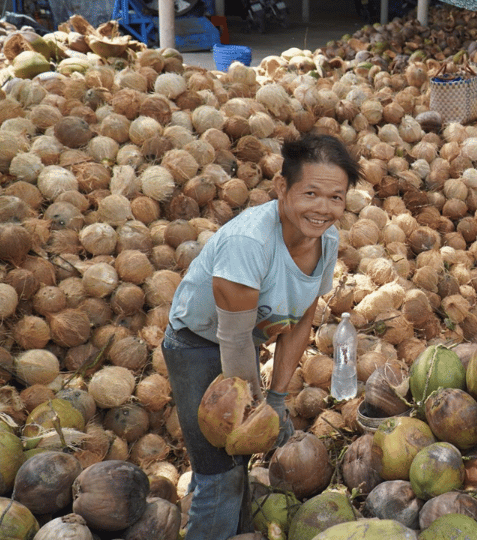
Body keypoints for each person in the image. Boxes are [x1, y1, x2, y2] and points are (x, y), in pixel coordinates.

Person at [162, 134, 360, 540]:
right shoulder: (248, 243)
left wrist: (278, 398)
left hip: (242, 342)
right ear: (282, 188)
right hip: (198, 344)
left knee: (232, 464)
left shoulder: (327, 239)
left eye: (336, 197)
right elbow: (233, 340)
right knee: (221, 469)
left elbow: (303, 317)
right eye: (311, 193)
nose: (323, 208)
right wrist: (254, 415)